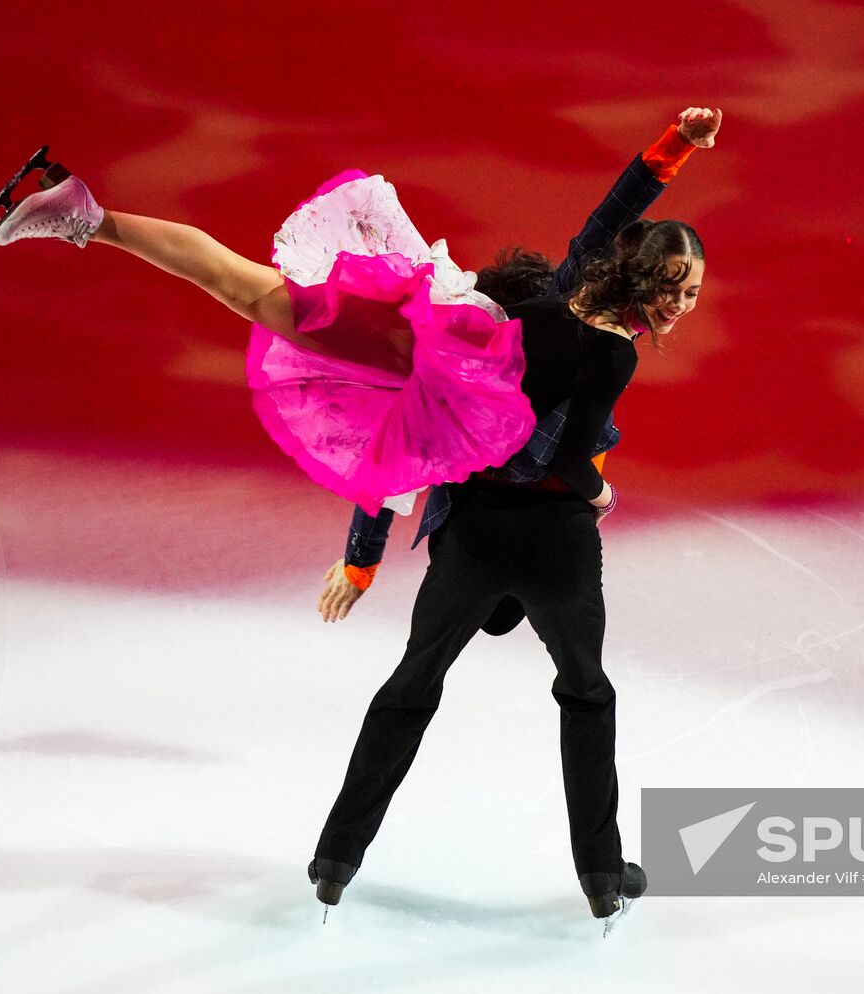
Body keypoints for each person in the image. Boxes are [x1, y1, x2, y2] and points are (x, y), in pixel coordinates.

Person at [306, 117, 716, 924]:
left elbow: (398, 457)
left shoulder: (506, 328)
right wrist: (672, 147)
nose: (679, 303)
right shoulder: (585, 322)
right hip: (557, 542)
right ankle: (601, 875)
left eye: (690, 290)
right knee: (587, 694)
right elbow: (603, 226)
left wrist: (360, 562)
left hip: (475, 537)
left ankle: (335, 857)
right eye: (675, 287)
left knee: (411, 685)